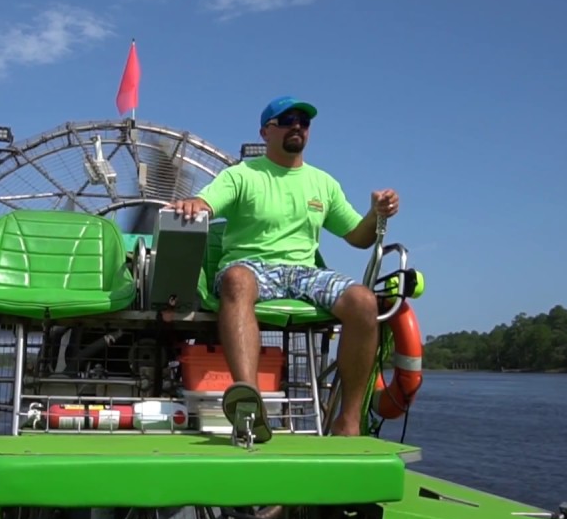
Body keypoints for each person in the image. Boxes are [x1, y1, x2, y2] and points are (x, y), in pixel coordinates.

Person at [167, 95, 399, 441]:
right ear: (265, 132)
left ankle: (348, 421)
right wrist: (195, 204)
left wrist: (376, 214)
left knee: (363, 301)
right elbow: (207, 203)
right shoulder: (241, 175)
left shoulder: (323, 183)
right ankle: (249, 402)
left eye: (304, 122)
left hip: (304, 273)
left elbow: (358, 237)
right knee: (236, 280)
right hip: (251, 267)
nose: (297, 126)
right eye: (287, 120)